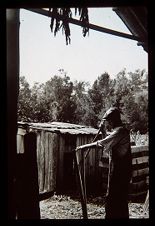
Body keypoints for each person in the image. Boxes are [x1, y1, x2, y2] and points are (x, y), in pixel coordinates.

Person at [76, 107, 132, 219]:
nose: (108, 124)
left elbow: (102, 143)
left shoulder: (121, 131)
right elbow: (109, 142)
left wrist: (82, 147)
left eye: (109, 121)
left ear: (113, 121)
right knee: (115, 199)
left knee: (114, 199)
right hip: (117, 171)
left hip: (120, 173)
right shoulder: (119, 132)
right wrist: (103, 132)